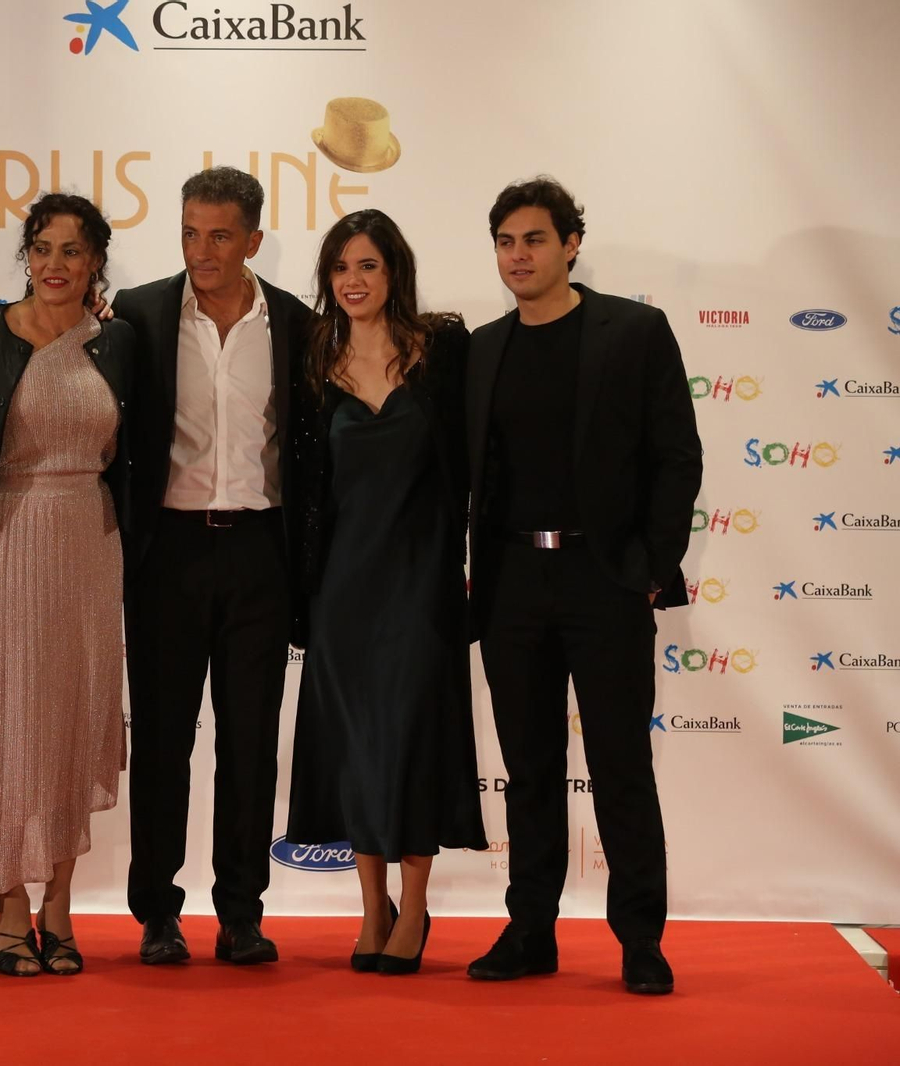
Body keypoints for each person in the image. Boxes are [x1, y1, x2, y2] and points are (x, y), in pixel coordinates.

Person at [464, 177, 702, 995]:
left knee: (619, 766)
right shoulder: (483, 348)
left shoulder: (633, 332)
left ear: (570, 244)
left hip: (604, 580)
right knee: (527, 769)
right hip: (510, 583)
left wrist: (648, 568)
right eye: (504, 241)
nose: (517, 256)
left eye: (533, 239)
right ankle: (530, 930)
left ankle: (641, 939)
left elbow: (678, 456)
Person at [111, 167, 312, 966]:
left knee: (252, 741)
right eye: (190, 232)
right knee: (161, 739)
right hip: (168, 551)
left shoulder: (295, 324)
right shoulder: (140, 315)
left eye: (220, 235)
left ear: (254, 240)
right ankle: (158, 912)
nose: (202, 250)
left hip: (261, 552)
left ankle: (242, 912)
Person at [0, 193, 134, 977]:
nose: (55, 266)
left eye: (73, 252)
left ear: (96, 263)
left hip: (88, 540)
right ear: (27, 256)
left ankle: (59, 907)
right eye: (43, 250)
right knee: (11, 715)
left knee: (70, 716)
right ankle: (11, 910)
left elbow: (140, 445)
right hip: (6, 536)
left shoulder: (118, 341)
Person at [286, 210, 487, 975]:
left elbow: (474, 463)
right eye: (341, 266)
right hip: (342, 588)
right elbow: (309, 491)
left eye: (367, 264)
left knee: (410, 740)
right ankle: (373, 909)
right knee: (356, 748)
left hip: (421, 582)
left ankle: (418, 902)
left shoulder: (442, 351)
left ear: (394, 271)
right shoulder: (315, 365)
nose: (353, 280)